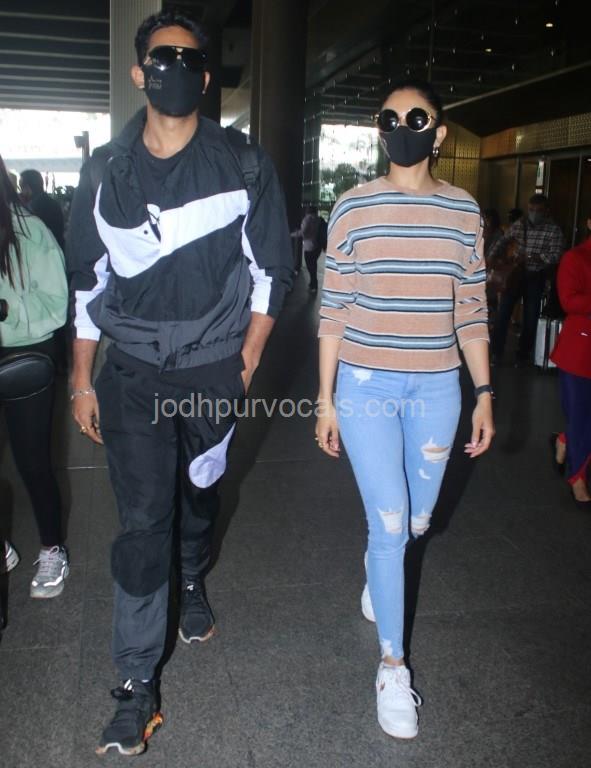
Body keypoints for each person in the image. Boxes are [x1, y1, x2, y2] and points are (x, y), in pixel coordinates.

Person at [66, 9, 292, 757]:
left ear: (205, 76)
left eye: (190, 60)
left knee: (198, 495)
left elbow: (272, 271)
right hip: (131, 372)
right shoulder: (105, 171)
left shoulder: (243, 163)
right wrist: (81, 379)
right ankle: (136, 681)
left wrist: (246, 361)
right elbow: (87, 281)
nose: (175, 70)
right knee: (141, 521)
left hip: (212, 369)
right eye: (162, 58)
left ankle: (193, 575)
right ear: (139, 73)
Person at [315, 79, 494, 740]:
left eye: (415, 118)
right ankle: (392, 666)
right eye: (388, 119)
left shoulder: (463, 210)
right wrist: (324, 400)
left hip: (437, 389)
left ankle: (379, 566)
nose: (401, 128)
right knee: (389, 523)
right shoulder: (352, 207)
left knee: (418, 520)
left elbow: (471, 309)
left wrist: (484, 393)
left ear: (439, 132)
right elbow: (332, 311)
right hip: (364, 386)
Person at [0, 154, 69, 596]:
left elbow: (56, 306)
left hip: (24, 357)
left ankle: (52, 547)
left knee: (33, 462)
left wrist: (5, 308)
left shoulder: (30, 231)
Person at [489, 194, 564, 365]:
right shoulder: (520, 225)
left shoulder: (553, 230)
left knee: (530, 317)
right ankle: (496, 352)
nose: (534, 214)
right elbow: (502, 241)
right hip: (515, 275)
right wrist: (492, 257)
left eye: (538, 210)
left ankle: (523, 354)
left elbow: (556, 255)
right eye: (531, 210)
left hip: (535, 277)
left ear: (546, 211)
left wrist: (533, 257)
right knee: (503, 314)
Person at [549, 211, 591, 506]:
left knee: (583, 420)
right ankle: (578, 478)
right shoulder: (575, 258)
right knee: (580, 418)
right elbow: (568, 300)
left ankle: (565, 439)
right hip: (579, 353)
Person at [19, 169, 65, 251]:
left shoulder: (32, 208)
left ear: (27, 187)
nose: (21, 191)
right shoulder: (53, 203)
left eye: (21, 187)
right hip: (57, 251)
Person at [300, 205, 324, 291]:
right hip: (318, 246)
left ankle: (313, 284)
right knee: (313, 265)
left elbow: (303, 232)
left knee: (310, 265)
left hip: (309, 246)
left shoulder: (307, 219)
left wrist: (292, 234)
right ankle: (313, 283)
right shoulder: (320, 219)